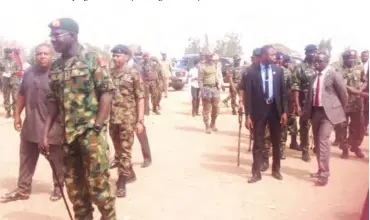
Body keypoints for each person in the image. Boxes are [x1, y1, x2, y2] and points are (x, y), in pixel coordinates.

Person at [40, 18, 116, 219]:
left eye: (57, 36)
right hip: (68, 136)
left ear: (72, 36)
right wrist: (45, 133)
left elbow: (107, 92)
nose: (53, 40)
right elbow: (53, 102)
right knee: (75, 191)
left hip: (90, 134)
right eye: (52, 36)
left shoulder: (91, 59)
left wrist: (98, 126)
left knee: (99, 188)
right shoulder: (56, 67)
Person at [0, 43, 64, 203]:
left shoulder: (58, 74)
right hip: (31, 125)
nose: (42, 56)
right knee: (26, 159)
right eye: (39, 53)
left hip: (52, 128)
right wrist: (16, 116)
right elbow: (21, 94)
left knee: (56, 160)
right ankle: (23, 190)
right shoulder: (29, 73)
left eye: (45, 54)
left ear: (52, 55)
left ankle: (59, 187)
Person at [243, 45, 288, 183]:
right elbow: (248, 95)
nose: (275, 57)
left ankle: (276, 170)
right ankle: (256, 173)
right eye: (272, 55)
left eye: (275, 55)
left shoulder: (279, 71)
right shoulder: (251, 72)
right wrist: (248, 115)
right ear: (263, 55)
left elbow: (283, 93)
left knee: (276, 141)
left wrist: (284, 112)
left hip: (275, 111)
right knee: (258, 142)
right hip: (259, 111)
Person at [302, 52, 348, 186]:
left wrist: (338, 110)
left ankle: (324, 174)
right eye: (315, 61)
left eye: (319, 61)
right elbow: (310, 96)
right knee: (317, 141)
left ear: (326, 61)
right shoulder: (314, 77)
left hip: (328, 114)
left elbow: (343, 94)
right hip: (316, 112)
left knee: (323, 141)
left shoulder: (334, 75)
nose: (316, 63)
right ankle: (320, 169)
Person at [108, 44, 145, 197]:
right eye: (114, 56)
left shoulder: (133, 74)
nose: (116, 58)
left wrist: (140, 121)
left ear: (127, 57)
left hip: (128, 119)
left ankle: (121, 181)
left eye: (119, 56)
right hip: (113, 118)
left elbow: (140, 98)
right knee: (118, 149)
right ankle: (130, 174)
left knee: (125, 150)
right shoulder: (108, 73)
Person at [336, 50, 366, 159]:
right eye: (349, 58)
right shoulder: (338, 70)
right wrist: (355, 91)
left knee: (358, 126)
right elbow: (342, 86)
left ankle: (355, 146)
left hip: (357, 102)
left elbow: (365, 80)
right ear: (344, 59)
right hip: (343, 102)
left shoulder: (359, 68)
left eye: (353, 57)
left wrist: (360, 90)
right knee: (342, 126)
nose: (351, 60)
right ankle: (344, 148)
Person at [291, 44, 318, 162]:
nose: (314, 54)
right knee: (305, 126)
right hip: (305, 102)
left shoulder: (319, 66)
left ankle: (317, 146)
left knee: (318, 125)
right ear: (306, 53)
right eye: (311, 52)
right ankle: (305, 149)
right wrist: (297, 105)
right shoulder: (300, 67)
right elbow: (295, 87)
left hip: (319, 102)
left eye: (315, 52)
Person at [199, 52, 221, 133]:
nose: (211, 58)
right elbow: (200, 80)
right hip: (206, 88)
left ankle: (213, 123)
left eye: (212, 56)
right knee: (206, 108)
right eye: (209, 56)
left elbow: (218, 75)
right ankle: (207, 125)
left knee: (216, 108)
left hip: (215, 88)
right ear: (206, 57)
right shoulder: (202, 67)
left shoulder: (215, 65)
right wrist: (202, 91)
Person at [0, 48, 20, 118]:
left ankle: (14, 112)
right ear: (4, 53)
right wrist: (2, 73)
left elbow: (19, 69)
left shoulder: (15, 61)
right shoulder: (1, 61)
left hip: (14, 81)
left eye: (9, 53)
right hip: (5, 81)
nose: (8, 54)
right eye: (6, 52)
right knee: (6, 97)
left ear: (11, 53)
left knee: (15, 97)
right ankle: (8, 112)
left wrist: (13, 72)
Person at [361, 50, 369, 136]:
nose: (364, 57)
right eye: (363, 56)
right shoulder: (358, 66)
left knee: (366, 110)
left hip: (367, 91)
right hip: (357, 90)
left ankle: (365, 128)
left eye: (366, 56)